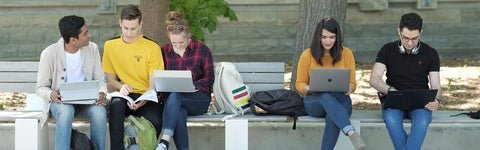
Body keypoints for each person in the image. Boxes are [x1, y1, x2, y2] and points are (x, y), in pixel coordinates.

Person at [369, 12, 442, 150]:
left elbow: (436, 86)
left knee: (422, 122)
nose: (409, 43)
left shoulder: (431, 53)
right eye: (405, 38)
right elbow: (374, 79)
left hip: (421, 103)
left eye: (414, 39)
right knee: (391, 120)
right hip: (394, 99)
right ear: (398, 31)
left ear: (421, 32)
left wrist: (436, 100)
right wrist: (391, 91)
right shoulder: (387, 50)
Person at [36, 15, 108, 150]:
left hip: (87, 102)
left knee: (99, 113)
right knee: (66, 111)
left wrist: (102, 93)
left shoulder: (92, 49)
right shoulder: (49, 53)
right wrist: (51, 94)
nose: (89, 35)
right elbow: (40, 87)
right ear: (73, 40)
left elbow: (100, 80)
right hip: (61, 103)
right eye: (85, 33)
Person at [295, 17, 366, 150]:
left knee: (332, 115)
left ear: (337, 37)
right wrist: (308, 87)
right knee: (325, 96)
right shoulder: (307, 55)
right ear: (318, 37)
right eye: (324, 37)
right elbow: (299, 83)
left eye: (332, 37)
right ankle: (351, 132)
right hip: (315, 101)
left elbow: (352, 83)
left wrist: (350, 88)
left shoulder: (346, 53)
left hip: (341, 100)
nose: (328, 41)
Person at [102, 4, 164, 150]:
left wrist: (144, 99)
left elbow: (153, 85)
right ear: (120, 23)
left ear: (140, 24)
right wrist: (121, 86)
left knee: (156, 120)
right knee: (116, 106)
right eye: (125, 28)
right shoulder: (110, 45)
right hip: (124, 95)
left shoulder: (151, 47)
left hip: (146, 96)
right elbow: (110, 79)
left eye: (133, 28)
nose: (129, 33)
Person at [155, 11, 214, 150]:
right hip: (172, 104)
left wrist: (192, 86)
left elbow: (209, 78)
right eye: (174, 42)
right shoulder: (163, 51)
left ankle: (164, 140)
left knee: (177, 95)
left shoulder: (202, 50)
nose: (178, 45)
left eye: (181, 42)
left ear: (188, 37)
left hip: (198, 100)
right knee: (179, 112)